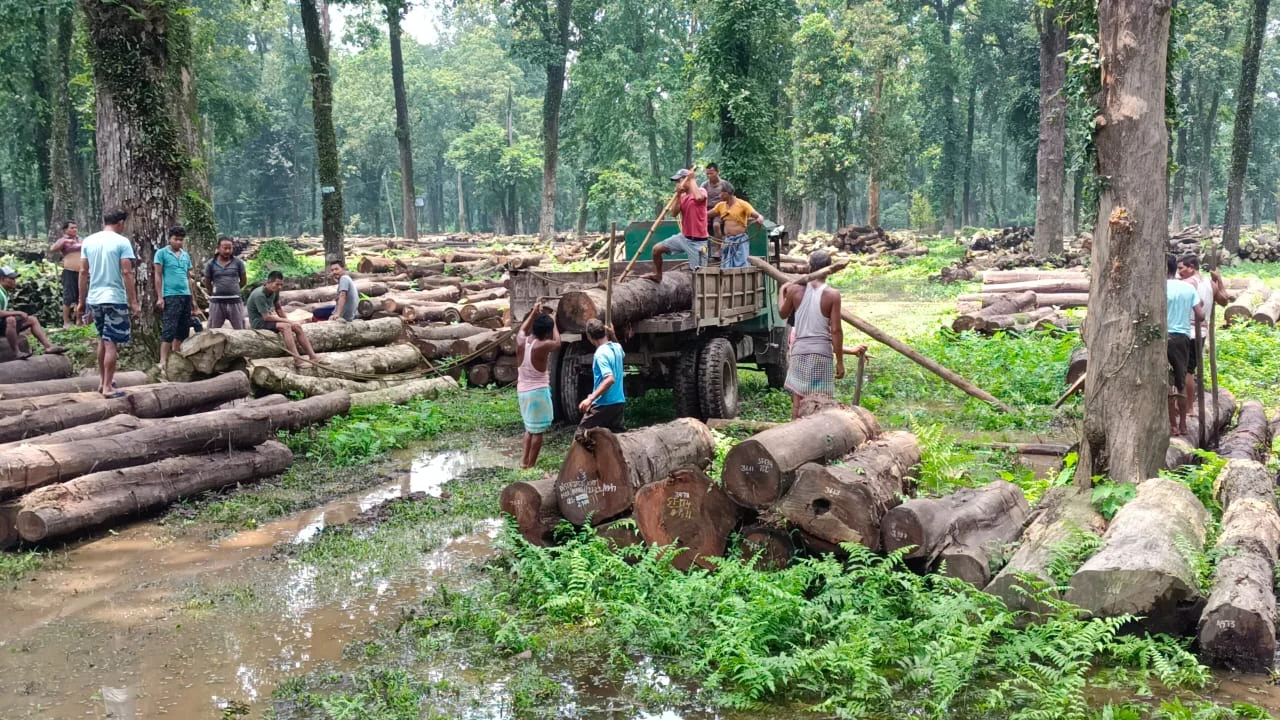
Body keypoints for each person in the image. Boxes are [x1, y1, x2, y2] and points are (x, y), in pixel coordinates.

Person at [779, 251, 855, 419]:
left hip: (799, 351)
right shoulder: (832, 295)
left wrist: (782, 291)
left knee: (798, 399)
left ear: (810, 267)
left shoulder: (794, 291)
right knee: (821, 400)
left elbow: (782, 314)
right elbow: (835, 330)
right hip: (822, 353)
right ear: (829, 270)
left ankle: (794, 434)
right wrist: (840, 362)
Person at [78, 208, 139, 397]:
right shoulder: (122, 242)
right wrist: (134, 301)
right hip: (114, 297)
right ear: (120, 222)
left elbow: (83, 272)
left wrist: (82, 301)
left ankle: (102, 381)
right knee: (111, 342)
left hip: (95, 298)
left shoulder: (89, 241)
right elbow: (127, 272)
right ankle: (107, 388)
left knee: (103, 340)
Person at [1175, 254, 1228, 414]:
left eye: (1181, 268)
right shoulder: (1209, 283)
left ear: (1192, 267)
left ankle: (1188, 407)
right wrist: (1219, 280)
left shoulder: (1187, 284)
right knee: (1189, 369)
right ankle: (1188, 406)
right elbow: (1224, 300)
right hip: (1201, 332)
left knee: (1185, 370)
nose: (1179, 272)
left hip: (1185, 330)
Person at [516, 302, 560, 468]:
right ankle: (531, 465)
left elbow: (522, 328)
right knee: (538, 432)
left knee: (529, 428)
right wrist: (554, 322)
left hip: (522, 391)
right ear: (546, 332)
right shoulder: (543, 345)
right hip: (538, 392)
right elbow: (558, 343)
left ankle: (524, 462)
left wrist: (534, 312)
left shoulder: (520, 341)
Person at [646, 168, 708, 284]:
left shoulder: (701, 191)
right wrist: (679, 195)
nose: (678, 184)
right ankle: (658, 275)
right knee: (656, 249)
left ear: (687, 180)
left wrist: (692, 178)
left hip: (698, 243)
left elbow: (699, 198)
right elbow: (674, 213)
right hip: (683, 237)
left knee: (698, 276)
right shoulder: (683, 197)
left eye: (680, 181)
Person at [246, 271, 319, 367]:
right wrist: (288, 321)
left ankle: (313, 356)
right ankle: (297, 360)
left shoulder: (275, 292)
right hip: (259, 322)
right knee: (286, 327)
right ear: (268, 282)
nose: (279, 287)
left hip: (269, 319)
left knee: (297, 326)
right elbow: (266, 317)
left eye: (281, 284)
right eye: (277, 284)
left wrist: (290, 321)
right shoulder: (259, 295)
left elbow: (279, 309)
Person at [154, 226, 202, 369]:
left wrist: (194, 301)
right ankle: (162, 360)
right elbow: (157, 275)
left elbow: (188, 278)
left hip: (185, 295)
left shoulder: (185, 256)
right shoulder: (161, 253)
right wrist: (160, 297)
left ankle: (176, 356)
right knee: (169, 327)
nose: (179, 242)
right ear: (169, 239)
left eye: (181, 240)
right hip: (170, 295)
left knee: (183, 327)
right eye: (176, 239)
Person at [1166, 254, 1203, 437]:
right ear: (1175, 269)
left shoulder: (1159, 288)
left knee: (1167, 382)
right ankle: (1183, 425)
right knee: (1181, 381)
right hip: (1182, 338)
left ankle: (1172, 426)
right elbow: (1200, 315)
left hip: (1163, 337)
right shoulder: (1188, 288)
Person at [0, 266, 64, 358]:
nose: (15, 281)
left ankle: (48, 347)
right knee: (11, 320)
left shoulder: (4, 292)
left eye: (15, 279)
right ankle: (16, 352)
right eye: (11, 279)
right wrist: (18, 313)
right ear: (2, 279)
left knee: (32, 320)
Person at [576, 318, 625, 439]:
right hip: (618, 402)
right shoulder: (617, 348)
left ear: (589, 336)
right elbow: (619, 349)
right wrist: (612, 335)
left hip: (604, 404)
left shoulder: (600, 354)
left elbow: (609, 379)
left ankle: (582, 458)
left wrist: (591, 399)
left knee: (580, 436)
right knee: (616, 440)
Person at [709, 186, 764, 269]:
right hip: (728, 241)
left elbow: (756, 214)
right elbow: (707, 214)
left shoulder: (742, 204)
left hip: (740, 240)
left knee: (742, 264)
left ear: (727, 193)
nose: (719, 196)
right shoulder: (721, 206)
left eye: (721, 193)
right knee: (726, 266)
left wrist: (760, 217)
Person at [204, 236, 248, 329]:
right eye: (225, 248)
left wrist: (234, 289)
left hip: (235, 301)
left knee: (240, 330)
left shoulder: (238, 263)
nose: (227, 251)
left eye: (230, 248)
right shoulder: (211, 264)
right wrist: (214, 293)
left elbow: (243, 281)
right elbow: (207, 282)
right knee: (212, 331)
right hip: (217, 302)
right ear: (218, 248)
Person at [48, 221, 83, 328]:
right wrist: (64, 241)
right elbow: (53, 248)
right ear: (66, 230)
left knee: (80, 297)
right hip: (69, 271)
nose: (74, 229)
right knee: (68, 297)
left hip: (82, 272)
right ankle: (66, 322)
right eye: (72, 228)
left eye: (76, 227)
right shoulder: (63, 240)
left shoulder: (81, 239)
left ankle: (79, 320)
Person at [702, 163, 735, 239]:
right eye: (707, 174)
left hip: (720, 210)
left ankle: (718, 248)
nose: (709, 175)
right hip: (707, 210)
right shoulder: (705, 185)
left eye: (711, 173)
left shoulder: (724, 184)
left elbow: (731, 198)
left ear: (717, 172)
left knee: (716, 225)